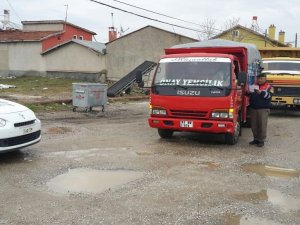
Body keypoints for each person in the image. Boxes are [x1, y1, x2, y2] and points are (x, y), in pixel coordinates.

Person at [247, 73, 273, 147]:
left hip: (263, 109)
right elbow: (249, 95)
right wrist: (248, 93)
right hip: (253, 109)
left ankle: (261, 140)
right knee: (254, 126)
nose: (259, 80)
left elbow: (269, 96)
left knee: (262, 125)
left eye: (261, 78)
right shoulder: (254, 86)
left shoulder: (269, 87)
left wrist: (261, 92)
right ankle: (255, 139)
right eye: (258, 78)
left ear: (265, 78)